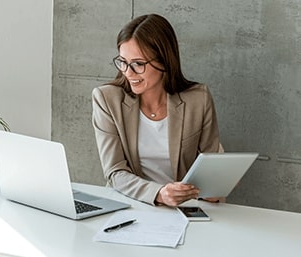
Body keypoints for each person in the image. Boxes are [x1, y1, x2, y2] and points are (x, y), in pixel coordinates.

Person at [92, 14, 223, 207]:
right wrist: (159, 194)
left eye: (138, 64)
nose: (128, 72)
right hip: (131, 203)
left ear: (164, 61)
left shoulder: (198, 99)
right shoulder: (107, 99)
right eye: (122, 61)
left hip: (185, 208)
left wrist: (214, 189)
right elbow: (115, 172)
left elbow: (212, 166)